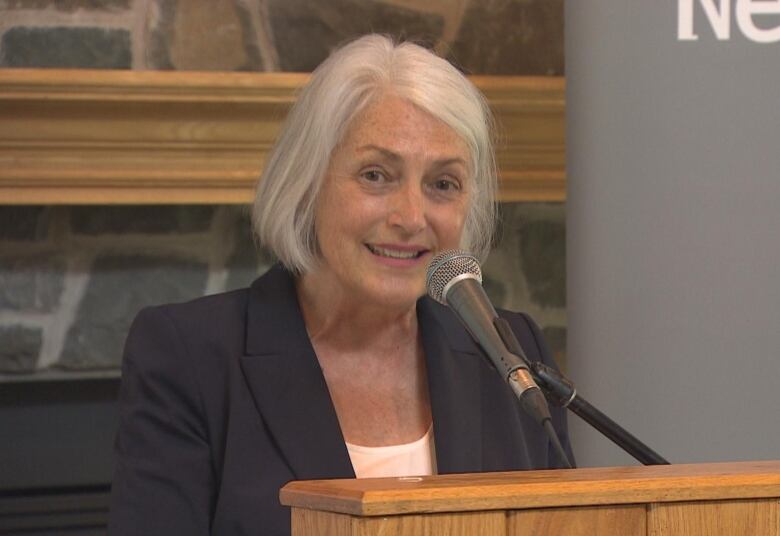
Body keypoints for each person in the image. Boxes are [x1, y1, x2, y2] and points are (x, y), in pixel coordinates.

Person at [108, 34, 572, 536]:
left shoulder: (509, 355)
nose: (411, 217)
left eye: (443, 184)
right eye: (376, 175)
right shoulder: (191, 357)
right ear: (308, 183)